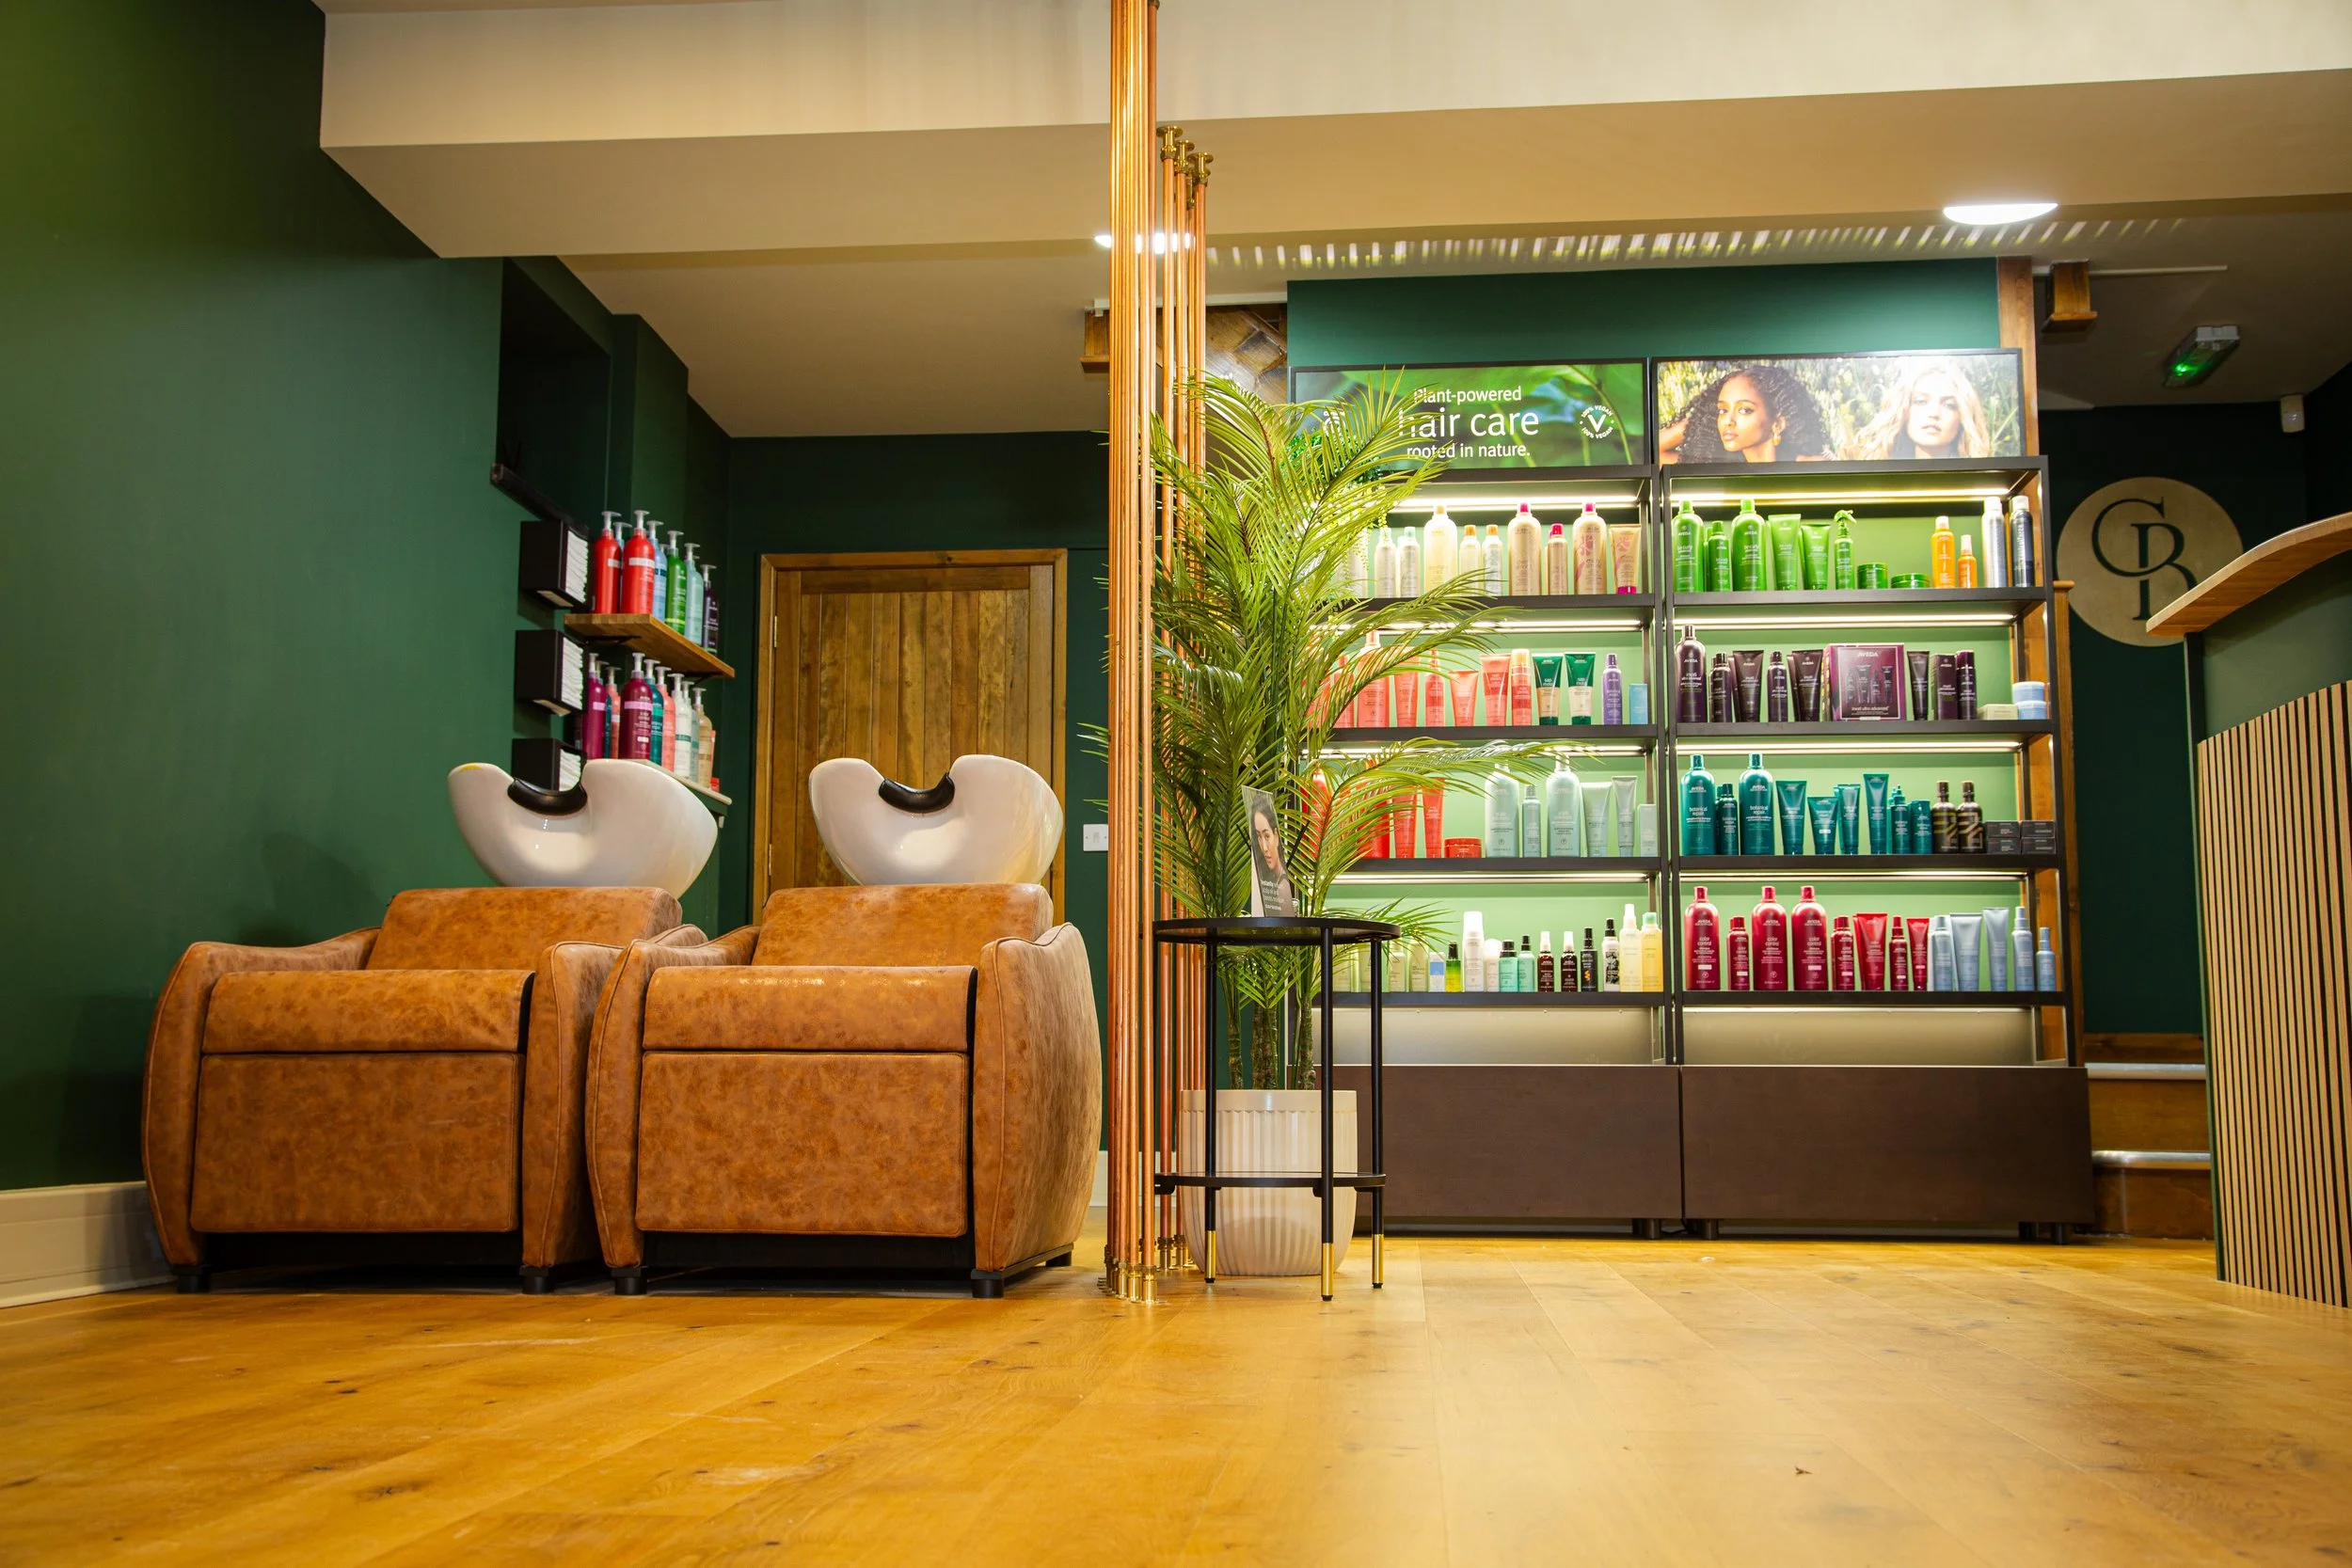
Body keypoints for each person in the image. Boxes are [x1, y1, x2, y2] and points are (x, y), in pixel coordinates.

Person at [1658, 365, 1831, 464]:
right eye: (1722, 411)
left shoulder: (1811, 464)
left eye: (1744, 410)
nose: (1728, 421)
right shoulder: (1718, 467)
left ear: (1777, 424)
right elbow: (1656, 452)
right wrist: (1701, 419)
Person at [1848, 357, 1994, 460]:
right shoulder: (1881, 475)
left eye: (1949, 405)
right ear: (1903, 410)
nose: (1934, 414)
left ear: (1962, 417)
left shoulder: (1981, 481)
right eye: (1921, 402)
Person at [1246, 790, 1295, 916]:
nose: (1264, 847)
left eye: (1267, 836)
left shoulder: (1282, 890)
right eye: (1259, 836)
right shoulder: (1273, 882)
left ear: (1276, 836)